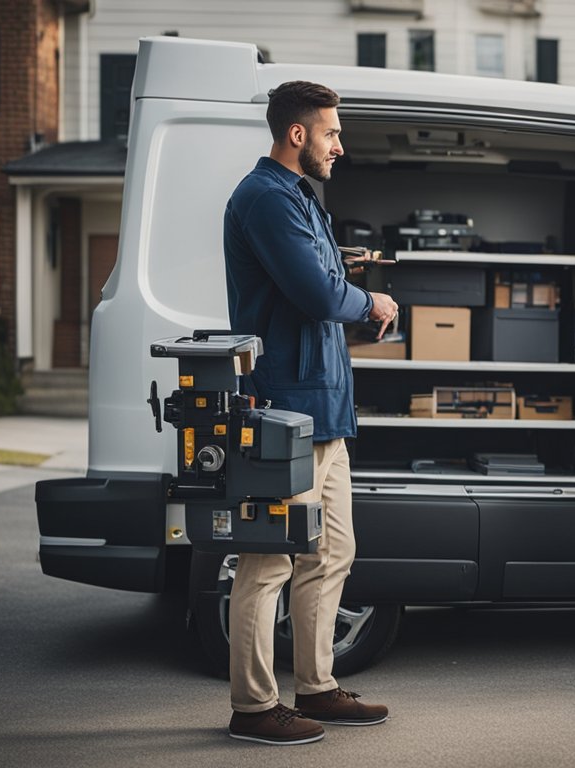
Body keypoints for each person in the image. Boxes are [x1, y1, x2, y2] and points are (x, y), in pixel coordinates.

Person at [222, 80, 397, 746]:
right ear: (297, 134)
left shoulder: (300, 199)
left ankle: (317, 688)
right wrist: (371, 301)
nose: (339, 145)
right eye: (331, 133)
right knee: (267, 561)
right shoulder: (266, 198)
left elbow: (319, 289)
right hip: (282, 414)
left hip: (324, 413)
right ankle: (253, 705)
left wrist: (348, 285)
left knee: (330, 554)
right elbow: (319, 295)